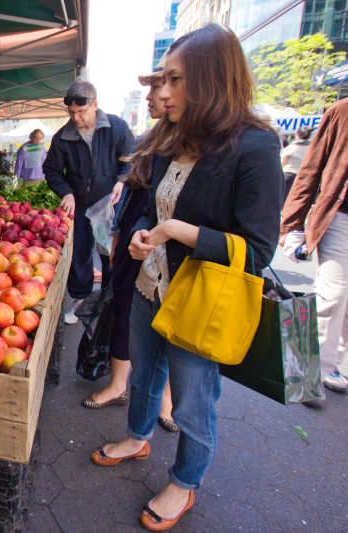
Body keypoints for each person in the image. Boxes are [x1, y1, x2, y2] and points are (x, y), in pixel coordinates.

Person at [91, 25, 282, 531]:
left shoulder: (254, 147)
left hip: (202, 300)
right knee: (146, 373)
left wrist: (182, 232)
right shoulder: (172, 138)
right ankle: (136, 437)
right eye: (164, 80)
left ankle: (185, 480)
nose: (163, 92)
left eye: (176, 80)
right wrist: (139, 234)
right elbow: (148, 207)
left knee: (195, 400)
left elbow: (260, 250)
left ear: (212, 81)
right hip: (150, 286)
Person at [83, 64, 178, 435]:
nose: (153, 97)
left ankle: (167, 402)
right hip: (135, 240)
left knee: (172, 327)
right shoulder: (150, 138)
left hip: (173, 248)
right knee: (123, 310)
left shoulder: (192, 144)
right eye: (155, 88)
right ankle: (118, 384)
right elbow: (139, 184)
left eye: (160, 88)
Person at [281, 95, 348, 395]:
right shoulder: (343, 111)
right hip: (342, 216)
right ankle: (309, 373)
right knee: (333, 292)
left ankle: (331, 363)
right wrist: (292, 226)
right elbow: (310, 168)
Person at [43, 80, 134, 325]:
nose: (76, 117)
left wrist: (122, 181)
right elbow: (51, 170)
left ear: (95, 104)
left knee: (109, 252)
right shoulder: (63, 137)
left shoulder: (116, 127)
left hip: (109, 201)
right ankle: (81, 297)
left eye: (81, 112)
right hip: (81, 204)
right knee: (81, 253)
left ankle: (108, 298)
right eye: (71, 112)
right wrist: (66, 192)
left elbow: (131, 160)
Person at [280, 126, 312, 202]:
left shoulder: (291, 147)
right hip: (304, 177)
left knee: (283, 201)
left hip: (289, 176)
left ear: (297, 135)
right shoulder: (311, 148)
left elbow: (282, 162)